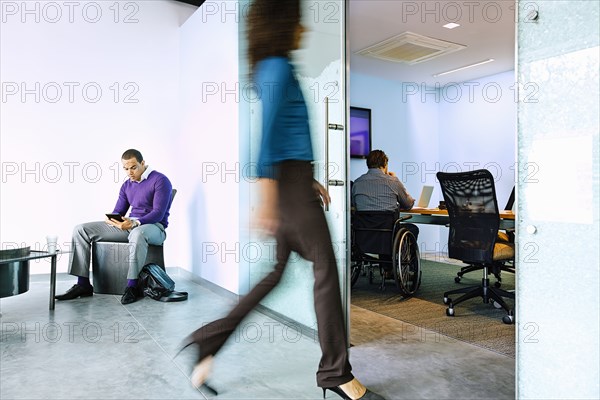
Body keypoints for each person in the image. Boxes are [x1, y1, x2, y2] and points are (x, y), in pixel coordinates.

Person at [179, 2, 384, 399]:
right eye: (298, 21)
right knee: (326, 272)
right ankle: (336, 374)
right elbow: (265, 138)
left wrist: (307, 181)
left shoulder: (273, 68)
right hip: (285, 189)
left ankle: (208, 342)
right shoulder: (276, 68)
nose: (304, 28)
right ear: (284, 23)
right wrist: (269, 197)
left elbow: (286, 137)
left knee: (274, 275)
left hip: (294, 184)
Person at [55, 149, 173, 305]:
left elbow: (158, 213)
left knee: (138, 233)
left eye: (133, 167)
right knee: (80, 229)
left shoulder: (160, 180)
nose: (129, 172)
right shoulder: (127, 185)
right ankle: (82, 284)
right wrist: (113, 219)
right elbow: (119, 211)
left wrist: (135, 223)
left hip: (154, 228)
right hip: (129, 225)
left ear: (142, 163)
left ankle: (132, 286)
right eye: (126, 168)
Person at [351, 149, 419, 239]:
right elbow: (408, 204)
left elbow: (355, 206)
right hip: (389, 234)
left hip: (364, 235)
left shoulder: (357, 183)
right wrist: (395, 179)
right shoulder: (393, 181)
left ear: (368, 164)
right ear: (385, 164)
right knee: (413, 228)